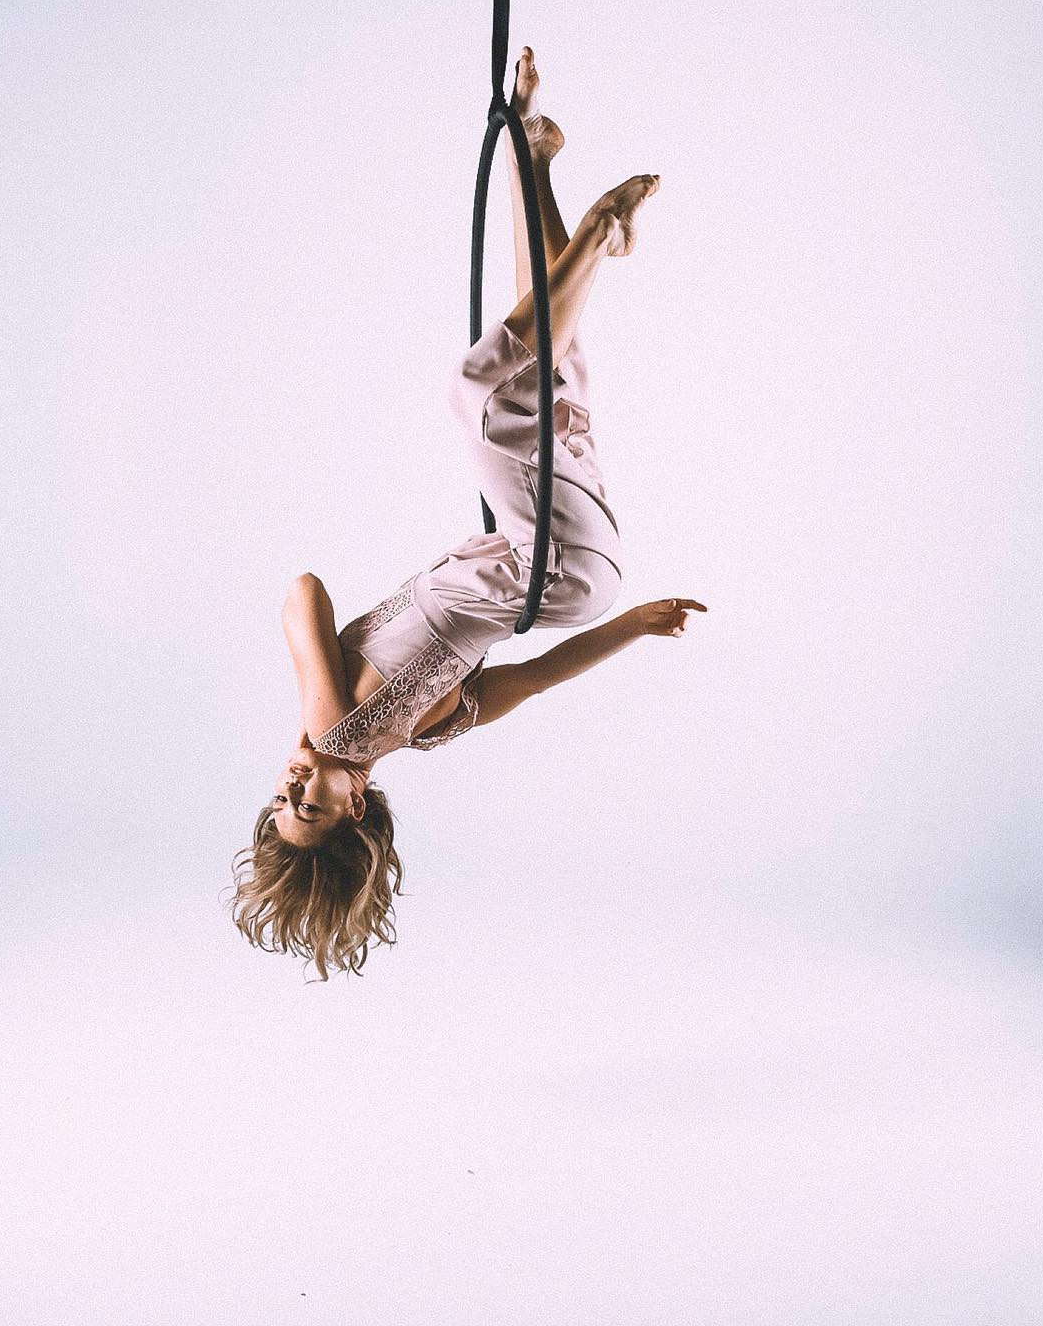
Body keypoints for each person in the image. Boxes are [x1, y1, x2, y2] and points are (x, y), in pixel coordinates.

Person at [233, 48, 707, 977]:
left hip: (574, 575)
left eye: (281, 798)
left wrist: (635, 623)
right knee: (483, 392)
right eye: (311, 804)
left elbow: (537, 676)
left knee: (551, 366)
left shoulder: (431, 730)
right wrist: (316, 714)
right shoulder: (338, 730)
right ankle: (602, 235)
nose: (295, 782)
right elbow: (302, 593)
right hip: (551, 566)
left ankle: (537, 160)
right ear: (356, 807)